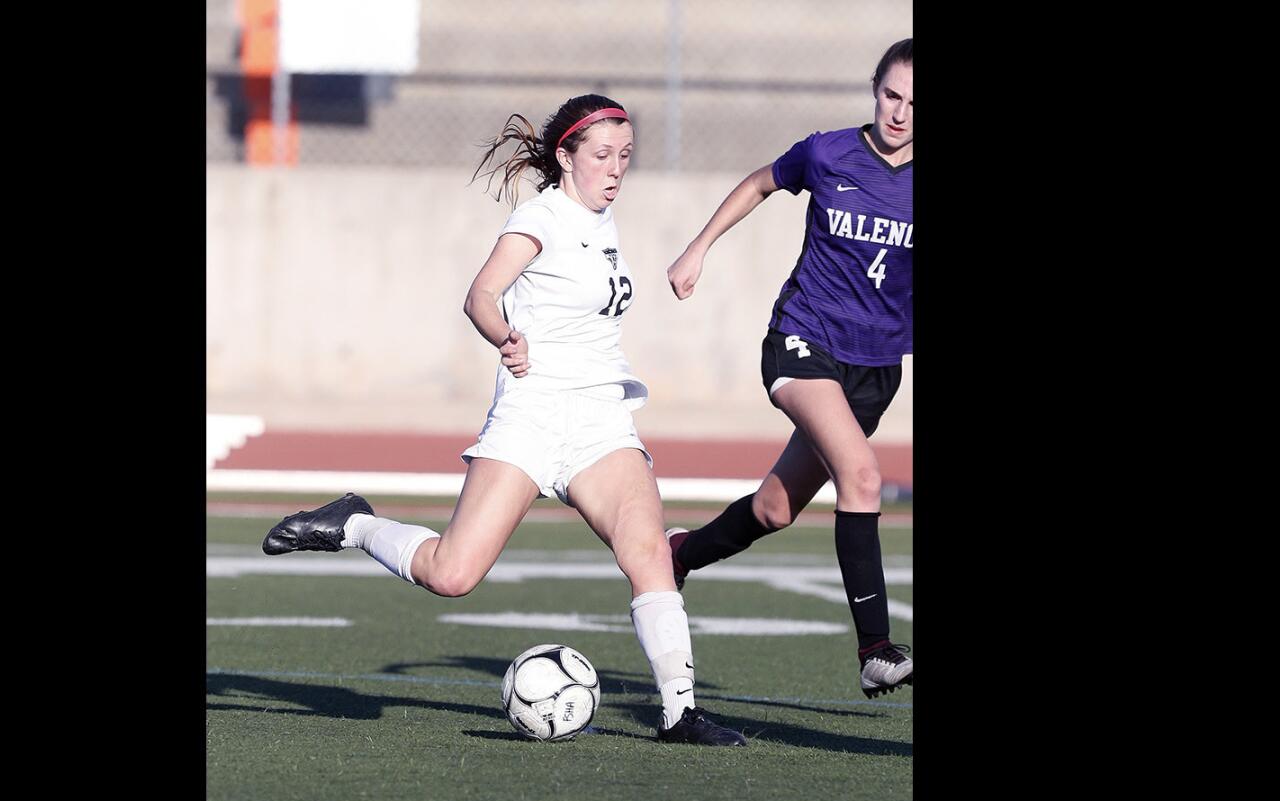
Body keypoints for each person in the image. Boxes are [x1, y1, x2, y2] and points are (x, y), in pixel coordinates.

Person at [261, 94, 746, 745]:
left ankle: (680, 713)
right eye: (602, 155)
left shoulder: (605, 222)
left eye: (625, 156)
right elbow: (481, 294)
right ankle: (354, 522)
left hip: (601, 419)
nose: (616, 169)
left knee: (650, 553)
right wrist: (505, 336)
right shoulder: (541, 215)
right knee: (451, 574)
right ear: (566, 156)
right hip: (532, 415)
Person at [663, 39, 914, 699]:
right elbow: (758, 183)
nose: (900, 112)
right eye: (891, 95)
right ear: (874, 89)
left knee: (776, 509)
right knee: (862, 477)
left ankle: (678, 554)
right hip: (803, 341)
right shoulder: (827, 152)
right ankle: (875, 650)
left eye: (914, 103)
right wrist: (698, 248)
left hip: (877, 367)